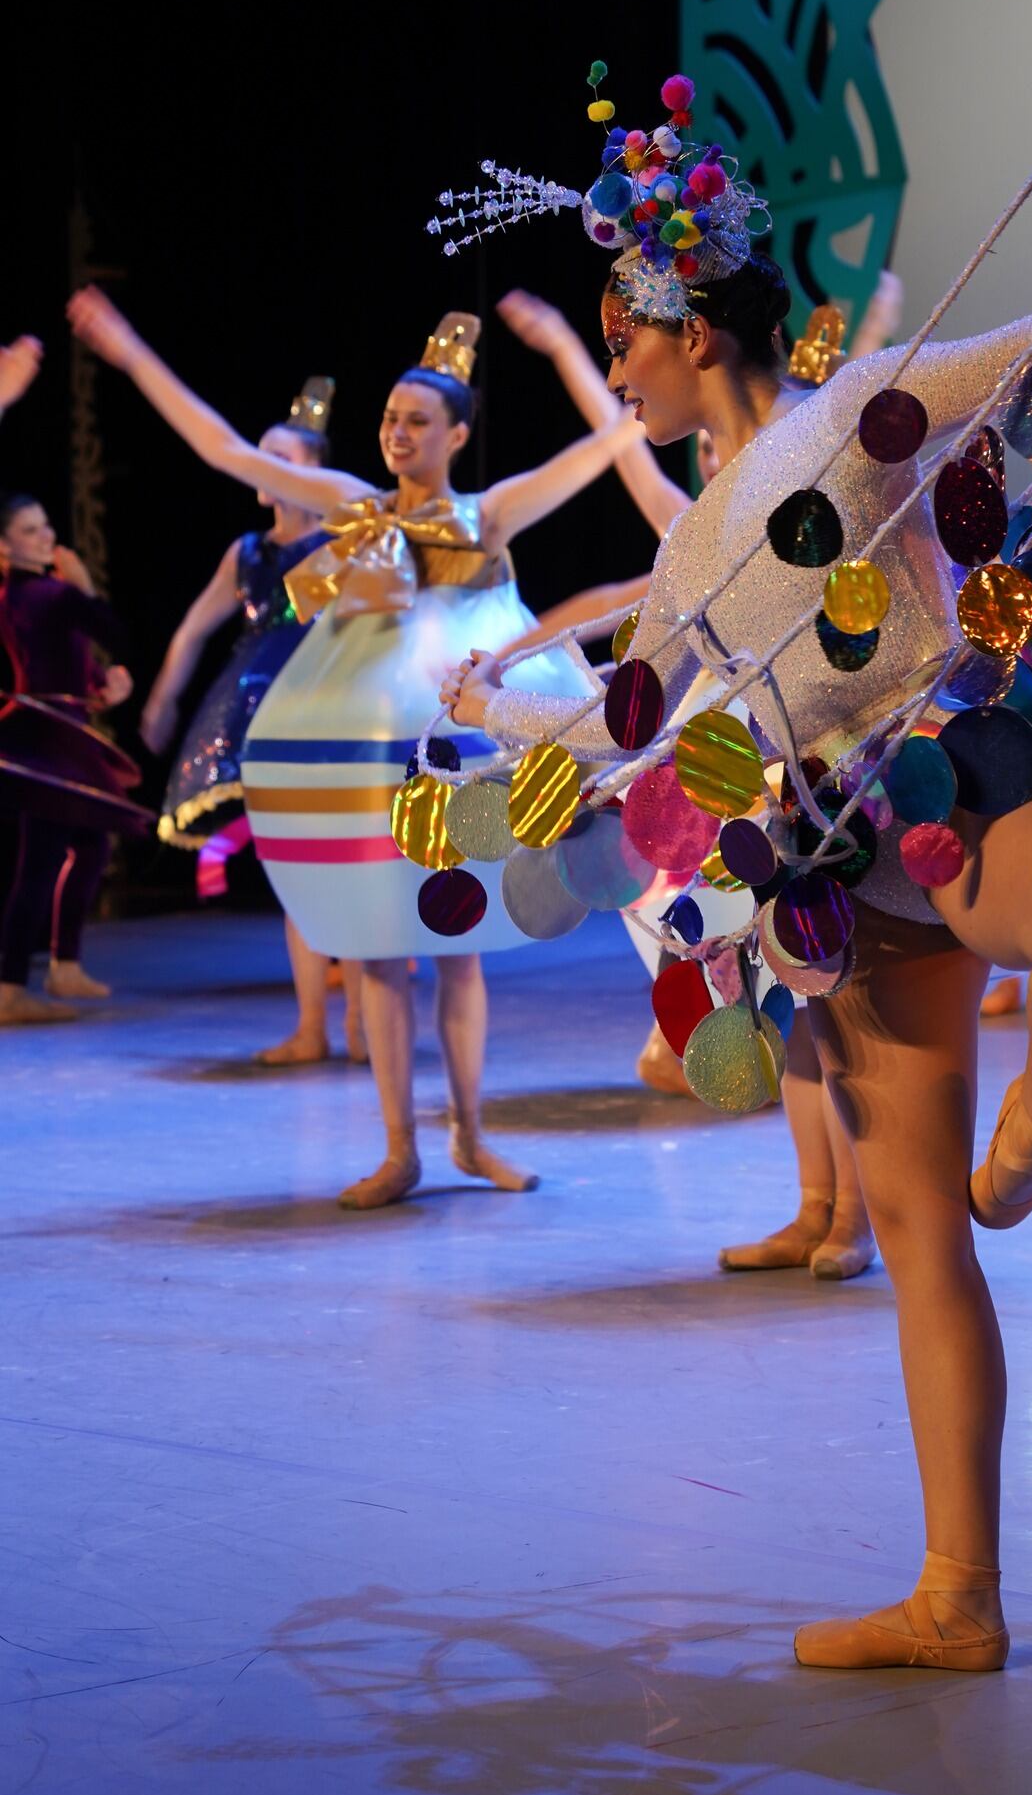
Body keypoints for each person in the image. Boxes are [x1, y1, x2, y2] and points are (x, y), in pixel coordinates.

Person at [439, 69, 1032, 1669]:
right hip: (833, 880)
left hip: (952, 794)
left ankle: (1031, 1147)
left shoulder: (849, 415)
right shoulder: (699, 536)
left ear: (688, 327)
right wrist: (493, 702)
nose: (616, 366)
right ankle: (954, 1599)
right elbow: (627, 724)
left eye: (621, 337)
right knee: (918, 1239)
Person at [68, 287, 641, 1208]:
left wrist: (565, 344)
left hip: (450, 749)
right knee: (376, 950)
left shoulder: (485, 516)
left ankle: (469, 1135)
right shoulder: (351, 509)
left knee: (455, 943)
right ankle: (397, 1148)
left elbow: (608, 442)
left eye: (419, 421)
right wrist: (131, 351)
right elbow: (225, 449)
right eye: (390, 418)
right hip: (360, 753)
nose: (398, 433)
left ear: (457, 435)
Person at [495, 287, 879, 1280]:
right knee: (787, 1005)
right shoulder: (700, 526)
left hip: (806, 770)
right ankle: (812, 1205)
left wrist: (875, 316)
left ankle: (857, 1220)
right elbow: (622, 455)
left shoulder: (794, 495)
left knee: (837, 1010)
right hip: (729, 781)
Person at [140, 376, 365, 1065]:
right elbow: (192, 628)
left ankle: (361, 1024)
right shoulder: (246, 554)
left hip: (328, 710)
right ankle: (310, 1027)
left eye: (285, 457)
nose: (268, 466)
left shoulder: (347, 538)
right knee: (294, 872)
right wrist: (163, 697)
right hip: (258, 719)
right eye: (261, 455)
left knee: (349, 872)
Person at [0, 493, 148, 1022]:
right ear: (4, 544)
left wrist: (100, 686)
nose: (47, 538)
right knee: (41, 859)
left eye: (45, 526)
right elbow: (112, 631)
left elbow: (58, 663)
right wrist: (85, 586)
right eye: (30, 531)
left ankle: (63, 965)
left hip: (50, 728)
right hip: (48, 739)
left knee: (88, 843)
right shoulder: (49, 595)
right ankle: (10, 986)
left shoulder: (23, 596)